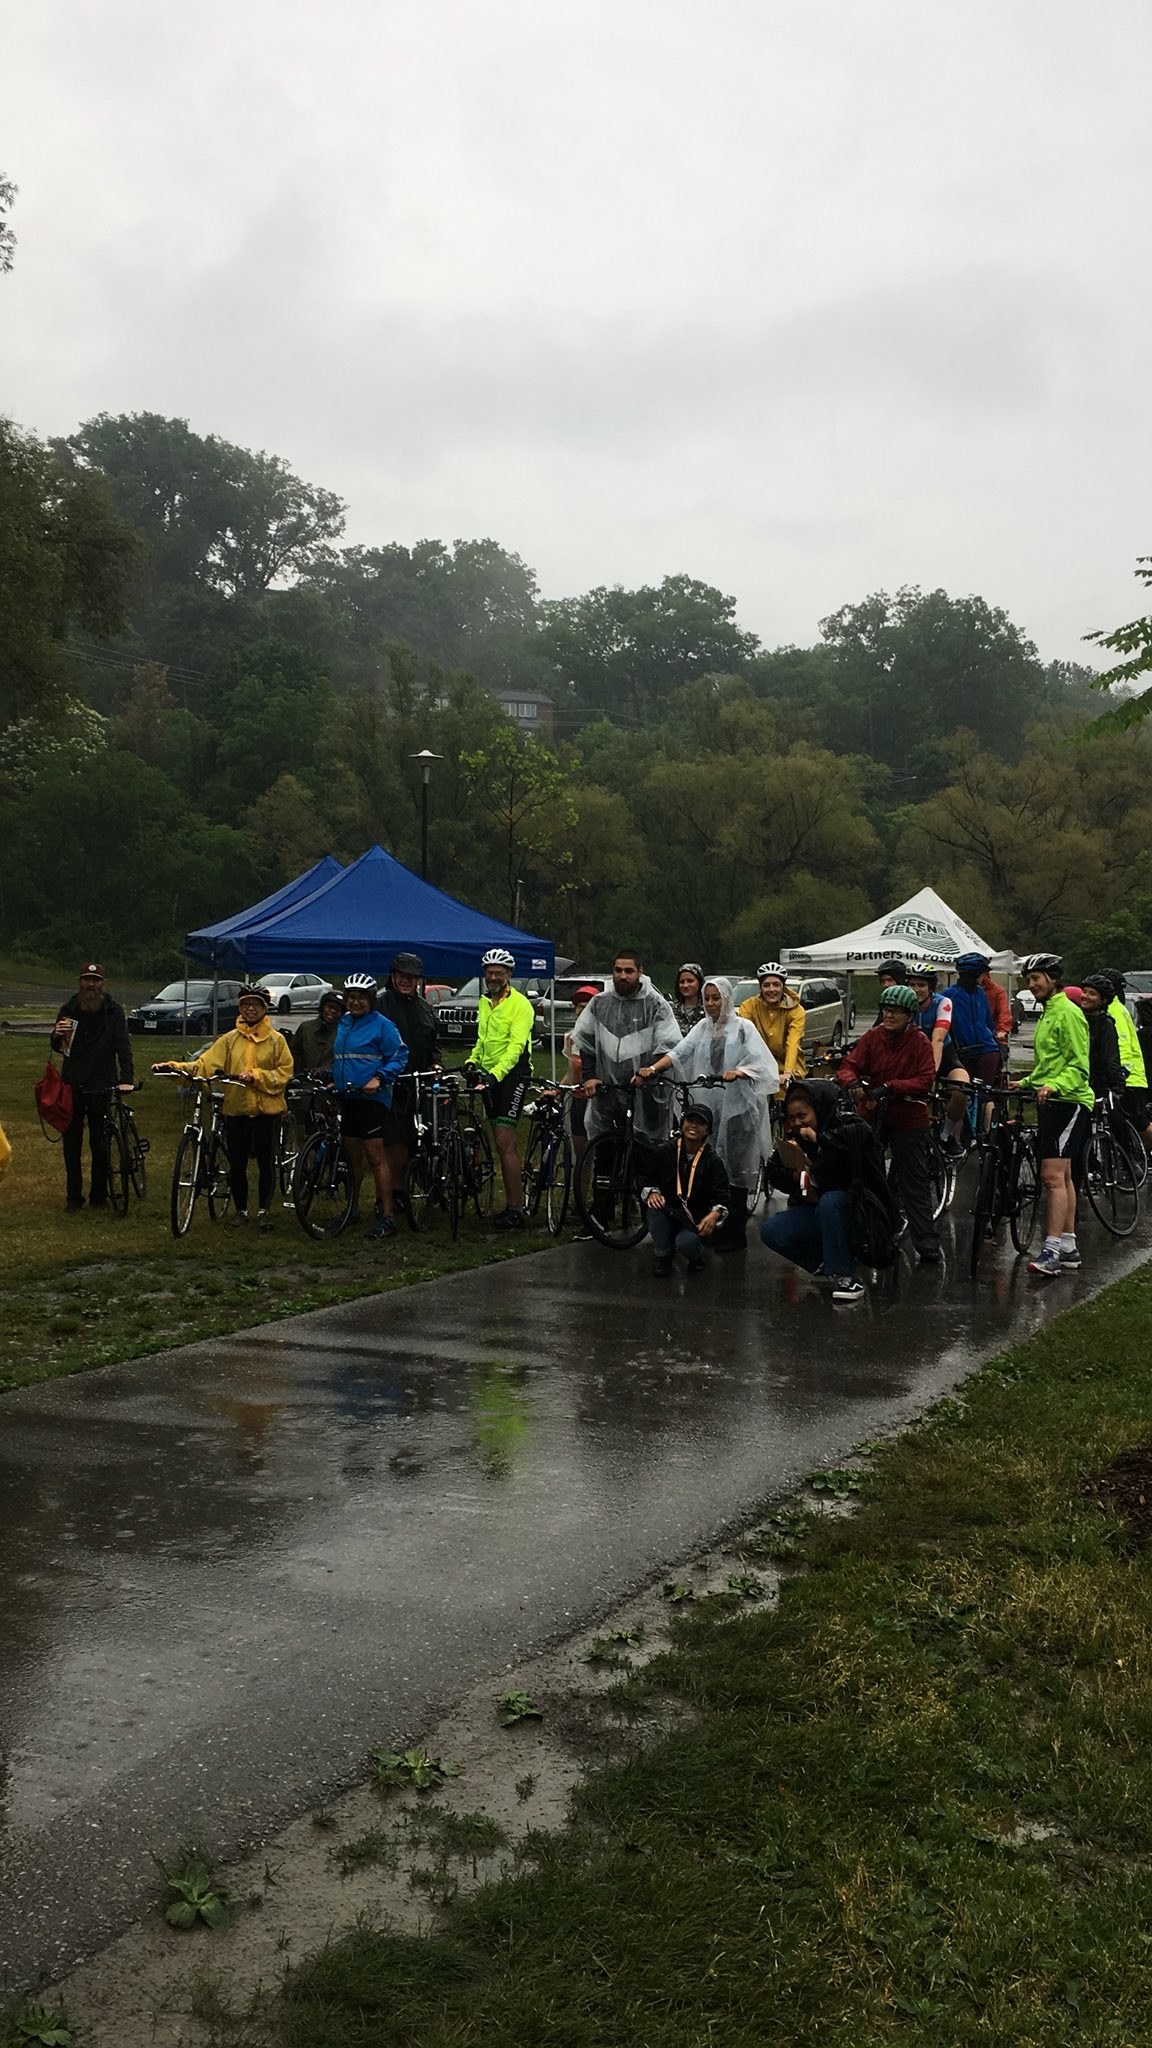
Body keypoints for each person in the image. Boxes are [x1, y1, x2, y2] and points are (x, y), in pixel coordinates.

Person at [640, 975, 777, 1252]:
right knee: (712, 1168)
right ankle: (711, 1225)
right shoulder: (702, 1028)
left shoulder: (743, 1028)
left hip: (737, 1110)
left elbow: (760, 1062)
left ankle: (736, 1232)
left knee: (735, 1172)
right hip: (711, 1110)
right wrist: (654, 1069)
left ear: (727, 999)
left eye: (717, 998)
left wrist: (740, 1071)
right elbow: (680, 1052)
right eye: (708, 999)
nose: (712, 1004)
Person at [153, 985, 293, 1229]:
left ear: (264, 1008)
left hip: (266, 1112)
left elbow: (284, 1073)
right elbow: (204, 1065)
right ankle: (240, 1210)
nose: (251, 1008)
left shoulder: (276, 1041)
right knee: (236, 1163)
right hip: (236, 1110)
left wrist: (257, 1076)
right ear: (240, 1008)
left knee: (265, 1162)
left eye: (256, 1004)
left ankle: (263, 1211)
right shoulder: (228, 1040)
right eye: (246, 1004)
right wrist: (173, 1068)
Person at [836, 984, 941, 1262]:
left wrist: (891, 1087)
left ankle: (926, 1242)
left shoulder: (919, 1042)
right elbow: (848, 1065)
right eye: (885, 1010)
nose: (889, 1016)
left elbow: (925, 1079)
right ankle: (868, 1232)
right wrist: (853, 1082)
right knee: (863, 1174)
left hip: (908, 1117)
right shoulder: (873, 1037)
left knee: (913, 1180)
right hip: (873, 1113)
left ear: (909, 1015)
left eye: (895, 1011)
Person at [1016, 952, 1092, 1277]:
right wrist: (1026, 1082)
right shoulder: (1048, 1012)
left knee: (1051, 1176)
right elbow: (1050, 1063)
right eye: (1028, 980)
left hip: (1069, 1101)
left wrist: (1054, 1087)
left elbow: (1079, 1065)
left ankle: (1050, 1252)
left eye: (1036, 979)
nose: (1031, 985)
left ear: (1053, 978)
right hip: (1054, 1099)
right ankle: (1069, 1247)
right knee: (1062, 1177)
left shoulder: (1069, 1013)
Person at [760, 1080, 865, 1302]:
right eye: (792, 1118)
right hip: (813, 1211)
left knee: (829, 1202)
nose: (798, 1123)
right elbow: (773, 1172)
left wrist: (821, 1143)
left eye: (803, 1116)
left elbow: (855, 1164)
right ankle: (823, 1262)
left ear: (817, 1110)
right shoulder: (794, 1140)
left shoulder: (845, 1128)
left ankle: (847, 1275)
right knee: (771, 1230)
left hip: (849, 1211)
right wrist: (793, 1175)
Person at [571, 948, 681, 1154]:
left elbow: (668, 1045)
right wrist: (589, 1076)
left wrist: (650, 1071)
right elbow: (586, 1042)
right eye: (618, 970)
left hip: (645, 1092)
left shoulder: (656, 1004)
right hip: (607, 1092)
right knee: (605, 1154)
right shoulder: (600, 1003)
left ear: (640, 971)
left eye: (629, 971)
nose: (623, 976)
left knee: (646, 1154)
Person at [330, 972, 409, 1240]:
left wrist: (379, 1078)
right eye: (351, 997)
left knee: (376, 1156)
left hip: (372, 1100)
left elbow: (400, 1055)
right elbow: (343, 1058)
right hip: (348, 1096)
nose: (356, 1002)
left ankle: (387, 1216)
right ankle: (352, 1209)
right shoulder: (344, 1023)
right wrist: (334, 1080)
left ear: (371, 999)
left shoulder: (383, 1025)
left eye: (361, 998)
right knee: (352, 1157)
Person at [52, 962, 134, 1212]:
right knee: (71, 1145)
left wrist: (126, 1078)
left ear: (102, 983)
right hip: (73, 1084)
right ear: (80, 982)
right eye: (87, 980)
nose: (91, 985)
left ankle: (99, 1193)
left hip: (102, 1084)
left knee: (100, 1143)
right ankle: (73, 1197)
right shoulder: (69, 1009)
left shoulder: (113, 1010)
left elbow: (123, 1046)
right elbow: (60, 1049)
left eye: (95, 980)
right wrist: (56, 1035)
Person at [466, 947, 536, 1230]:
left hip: (514, 1075)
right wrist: (472, 1061)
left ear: (509, 974)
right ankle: (508, 1203)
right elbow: (483, 1040)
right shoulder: (486, 1002)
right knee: (497, 1140)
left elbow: (516, 1047)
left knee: (505, 1141)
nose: (493, 976)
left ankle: (516, 1209)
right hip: (491, 1075)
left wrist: (495, 1075)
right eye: (489, 972)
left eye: (499, 972)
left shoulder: (521, 1005)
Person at [377, 951, 442, 1209]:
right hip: (387, 1081)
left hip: (417, 1082)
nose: (406, 981)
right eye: (401, 976)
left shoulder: (425, 1008)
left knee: (410, 1140)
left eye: (411, 977)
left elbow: (433, 1042)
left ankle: (403, 1191)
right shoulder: (381, 1005)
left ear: (418, 981)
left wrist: (436, 1062)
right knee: (389, 1142)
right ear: (392, 977)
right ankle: (386, 1195)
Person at [640, 1102, 730, 1276]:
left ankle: (696, 1258)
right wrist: (652, 1192)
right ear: (682, 1124)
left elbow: (723, 1197)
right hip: (668, 1212)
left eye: (701, 1123)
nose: (694, 1125)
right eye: (690, 1120)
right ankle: (663, 1257)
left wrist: (714, 1215)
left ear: (708, 1131)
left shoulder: (713, 1162)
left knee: (686, 1243)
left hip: (693, 1219)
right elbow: (645, 1177)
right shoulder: (664, 1151)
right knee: (654, 1210)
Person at [936, 953, 1002, 1150]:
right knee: (967, 1096)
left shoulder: (978, 992)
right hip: (969, 1051)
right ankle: (958, 1143)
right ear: (975, 974)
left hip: (983, 1050)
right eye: (982, 974)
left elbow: (987, 1021)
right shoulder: (950, 995)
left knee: (981, 1096)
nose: (984, 978)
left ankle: (987, 1142)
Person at [1099, 969, 1152, 1154]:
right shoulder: (1110, 1008)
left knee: (1139, 1124)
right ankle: (1123, 1157)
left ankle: (1130, 1157)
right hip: (1120, 1076)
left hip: (1129, 1078)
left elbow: (1122, 1046)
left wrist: (1120, 1073)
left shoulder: (1115, 1010)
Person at [737, 962, 805, 1092]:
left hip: (787, 1068)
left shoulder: (796, 1010)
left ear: (783, 987)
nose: (771, 989)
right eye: (766, 985)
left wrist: (788, 1072)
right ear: (760, 988)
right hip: (759, 1066)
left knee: (789, 1103)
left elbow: (793, 1042)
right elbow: (746, 1039)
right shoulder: (749, 1006)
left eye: (776, 985)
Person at [1072, 978, 1126, 1099]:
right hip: (1072, 1086)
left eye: (1092, 994)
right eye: (1084, 991)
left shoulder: (1105, 1025)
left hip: (1095, 1088)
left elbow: (1111, 1058)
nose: (1085, 996)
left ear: (1103, 1000)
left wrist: (1117, 1089)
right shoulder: (1075, 1019)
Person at [293, 988, 344, 1075]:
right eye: (330, 1007)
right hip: (304, 1081)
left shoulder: (344, 1033)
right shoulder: (306, 1028)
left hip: (332, 1081)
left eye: (337, 1009)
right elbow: (293, 1053)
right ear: (322, 1007)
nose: (332, 1011)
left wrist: (325, 1070)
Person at [671, 963, 706, 1036]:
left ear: (699, 982)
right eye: (682, 982)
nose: (685, 985)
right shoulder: (671, 1011)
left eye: (690, 981)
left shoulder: (708, 1009)